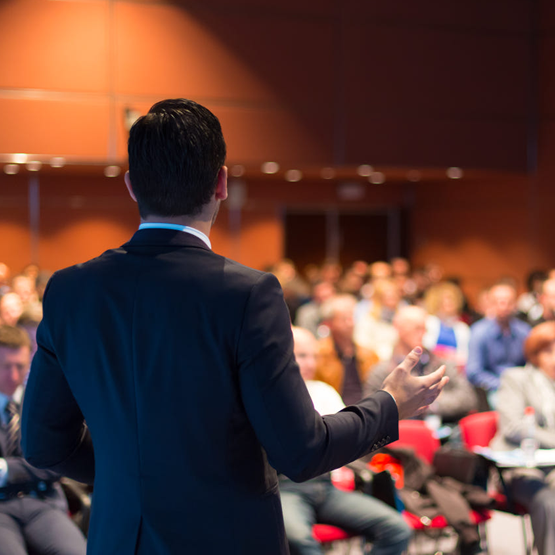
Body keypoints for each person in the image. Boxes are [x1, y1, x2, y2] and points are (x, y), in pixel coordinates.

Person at [20, 98, 447, 555]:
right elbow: (300, 451)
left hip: (118, 539)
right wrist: (390, 405)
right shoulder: (247, 294)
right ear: (221, 182)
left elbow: (44, 445)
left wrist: (133, 474)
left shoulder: (71, 290)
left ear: (130, 186)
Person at [280, 327, 411, 555]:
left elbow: (348, 439)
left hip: (325, 486)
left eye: (314, 356)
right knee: (299, 540)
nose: (310, 363)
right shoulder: (273, 397)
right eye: (301, 355)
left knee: (397, 529)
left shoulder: (323, 390)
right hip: (288, 488)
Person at [0, 325, 86, 555]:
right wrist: (31, 466)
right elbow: (43, 460)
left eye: (20, 366)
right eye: (6, 367)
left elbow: (56, 464)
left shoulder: (40, 401)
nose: (14, 375)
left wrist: (6, 469)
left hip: (42, 501)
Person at [491, 322, 555, 555]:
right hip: (519, 467)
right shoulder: (516, 378)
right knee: (548, 501)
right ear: (535, 354)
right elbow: (514, 426)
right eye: (548, 351)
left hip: (551, 465)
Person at [365, 306, 477, 424]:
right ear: (398, 328)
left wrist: (430, 403)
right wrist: (427, 399)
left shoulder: (441, 364)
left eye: (424, 329)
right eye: (417, 328)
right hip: (402, 436)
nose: (422, 334)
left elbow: (468, 399)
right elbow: (373, 411)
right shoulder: (381, 371)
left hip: (445, 433)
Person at [466, 282, 531, 408]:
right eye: (499, 302)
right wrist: (502, 385)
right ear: (490, 304)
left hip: (522, 385)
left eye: (508, 302)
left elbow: (531, 364)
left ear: (515, 304)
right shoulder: (479, 332)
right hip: (494, 388)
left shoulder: (525, 331)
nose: (503, 306)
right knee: (508, 405)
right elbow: (474, 372)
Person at [315, 294, 379, 404]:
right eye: (344, 319)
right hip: (334, 413)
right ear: (329, 324)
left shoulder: (369, 354)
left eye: (352, 318)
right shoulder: (318, 354)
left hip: (366, 410)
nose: (351, 323)